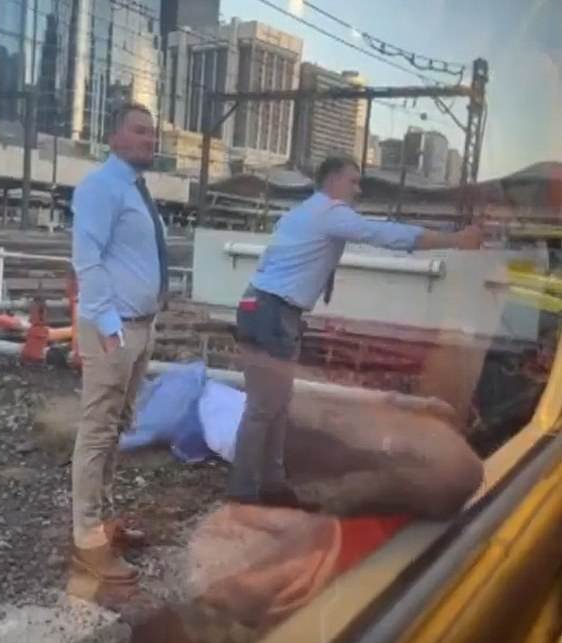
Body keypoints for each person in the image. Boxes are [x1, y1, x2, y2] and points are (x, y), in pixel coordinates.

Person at [228, 155, 483, 509]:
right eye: (354, 181)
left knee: (277, 404)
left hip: (270, 310)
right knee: (263, 407)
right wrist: (454, 240)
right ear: (333, 181)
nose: (358, 189)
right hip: (271, 312)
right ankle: (243, 493)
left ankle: (271, 484)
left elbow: (272, 263)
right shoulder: (330, 213)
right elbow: (386, 235)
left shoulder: (301, 213)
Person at [71, 104, 169, 584]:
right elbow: (86, 264)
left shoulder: (136, 191)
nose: (150, 139)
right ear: (113, 137)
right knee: (97, 430)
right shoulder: (100, 188)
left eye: (153, 132)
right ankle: (87, 539)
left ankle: (103, 521)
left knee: (115, 429)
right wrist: (111, 329)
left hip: (138, 327)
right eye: (138, 131)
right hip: (113, 329)